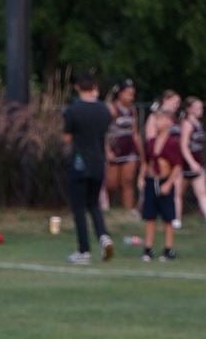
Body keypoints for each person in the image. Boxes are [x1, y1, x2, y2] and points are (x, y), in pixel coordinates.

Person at [62, 72, 114, 264]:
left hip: (79, 162)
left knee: (79, 208)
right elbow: (104, 135)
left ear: (77, 88)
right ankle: (103, 236)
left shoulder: (73, 110)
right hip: (98, 162)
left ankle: (84, 251)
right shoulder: (104, 110)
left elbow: (67, 137)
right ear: (94, 88)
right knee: (94, 204)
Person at [138, 107, 183, 260]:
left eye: (161, 119)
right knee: (150, 217)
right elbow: (146, 161)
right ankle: (148, 248)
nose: (158, 122)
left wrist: (169, 183)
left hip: (164, 181)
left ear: (170, 122)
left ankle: (168, 248)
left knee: (167, 218)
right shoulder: (150, 142)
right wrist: (141, 177)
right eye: (156, 119)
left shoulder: (172, 143)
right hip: (152, 180)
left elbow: (177, 165)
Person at [177, 97, 206, 233]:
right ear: (189, 109)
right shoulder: (187, 124)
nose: (200, 110)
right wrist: (191, 162)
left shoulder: (198, 123)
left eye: (201, 107)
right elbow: (183, 146)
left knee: (202, 193)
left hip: (197, 163)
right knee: (178, 193)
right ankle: (176, 221)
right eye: (197, 108)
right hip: (185, 163)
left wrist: (196, 163)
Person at [104, 79, 144, 215]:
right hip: (114, 149)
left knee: (128, 181)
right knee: (111, 183)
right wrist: (107, 150)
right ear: (120, 93)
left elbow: (135, 132)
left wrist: (141, 154)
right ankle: (106, 210)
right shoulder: (112, 108)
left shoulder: (132, 110)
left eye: (132, 94)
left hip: (129, 149)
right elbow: (103, 131)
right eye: (128, 93)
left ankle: (129, 211)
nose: (131, 97)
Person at [144, 90, 183, 228]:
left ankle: (175, 218)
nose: (177, 105)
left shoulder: (176, 118)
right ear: (165, 99)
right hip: (160, 162)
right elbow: (151, 143)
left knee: (177, 186)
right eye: (175, 101)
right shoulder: (155, 117)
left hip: (173, 157)